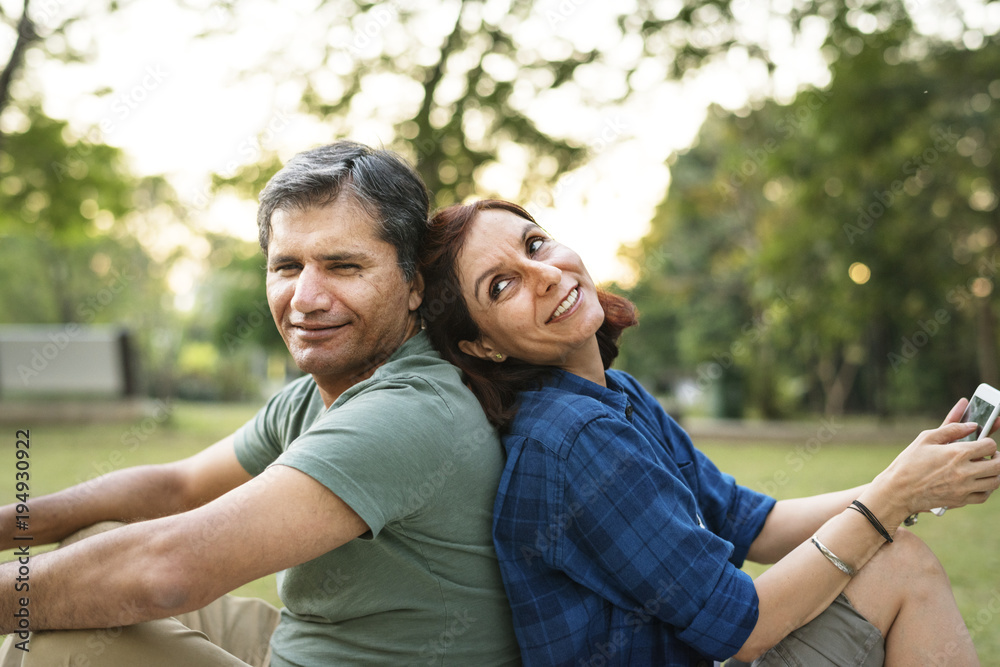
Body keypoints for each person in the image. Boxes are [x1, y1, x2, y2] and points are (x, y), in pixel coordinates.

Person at [418, 198, 1000, 666]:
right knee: (904, 569)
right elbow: (745, 628)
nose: (544, 275)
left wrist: (911, 482)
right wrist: (893, 497)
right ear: (482, 345)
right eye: (501, 286)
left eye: (535, 243)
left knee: (899, 559)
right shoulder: (573, 438)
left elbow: (754, 522)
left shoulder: (617, 398)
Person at [0, 143, 521, 666]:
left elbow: (169, 573)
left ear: (414, 285)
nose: (306, 298)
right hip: (301, 643)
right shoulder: (318, 393)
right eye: (288, 266)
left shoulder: (410, 412)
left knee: (55, 635)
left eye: (342, 266)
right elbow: (176, 487)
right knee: (92, 542)